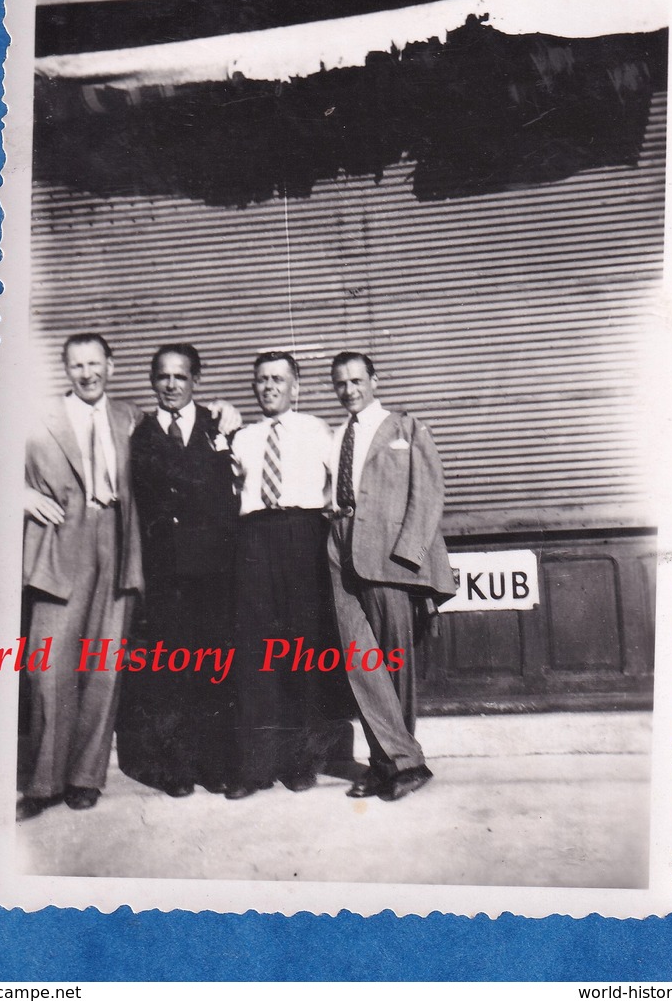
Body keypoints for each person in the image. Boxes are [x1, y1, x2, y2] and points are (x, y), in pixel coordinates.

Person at [18, 333, 144, 820]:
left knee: (104, 666)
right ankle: (44, 782)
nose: (87, 373)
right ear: (66, 369)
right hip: (59, 546)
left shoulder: (131, 417)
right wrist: (18, 493)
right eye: (77, 365)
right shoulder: (38, 417)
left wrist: (225, 411)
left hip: (118, 540)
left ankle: (85, 778)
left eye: (95, 363)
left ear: (111, 365)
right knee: (48, 668)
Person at [327, 351, 456, 801]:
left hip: (389, 554)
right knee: (361, 661)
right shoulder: (335, 433)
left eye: (357, 381)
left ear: (374, 381)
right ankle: (392, 761)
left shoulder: (406, 427)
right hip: (339, 548)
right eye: (340, 383)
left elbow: (429, 492)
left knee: (393, 661)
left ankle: (398, 764)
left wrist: (411, 556)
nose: (350, 390)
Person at [116, 343, 240, 798]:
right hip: (164, 573)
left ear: (196, 381)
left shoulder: (219, 424)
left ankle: (217, 765)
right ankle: (178, 768)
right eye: (163, 377)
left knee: (215, 666)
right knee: (170, 671)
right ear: (153, 381)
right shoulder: (139, 431)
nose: (171, 385)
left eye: (181, 377)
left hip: (214, 570)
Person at [225, 351, 350, 800]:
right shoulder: (240, 437)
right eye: (261, 380)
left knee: (302, 648)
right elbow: (231, 488)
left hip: (304, 536)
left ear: (295, 387)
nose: (269, 387)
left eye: (278, 379)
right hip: (254, 539)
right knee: (255, 654)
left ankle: (301, 762)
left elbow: (342, 487)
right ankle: (256, 765)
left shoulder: (319, 431)